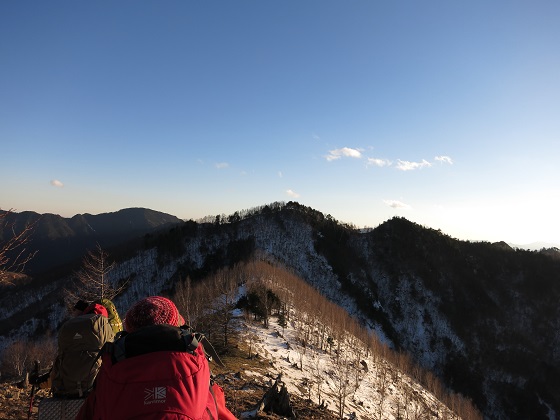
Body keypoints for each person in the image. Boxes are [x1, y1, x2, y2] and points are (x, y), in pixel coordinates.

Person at [76, 296, 237, 420]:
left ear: (129, 332)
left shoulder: (110, 369)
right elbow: (218, 410)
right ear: (178, 326)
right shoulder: (196, 364)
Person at [49, 299, 114, 398]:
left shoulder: (68, 327)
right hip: (95, 391)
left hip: (65, 392)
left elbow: (57, 364)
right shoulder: (104, 327)